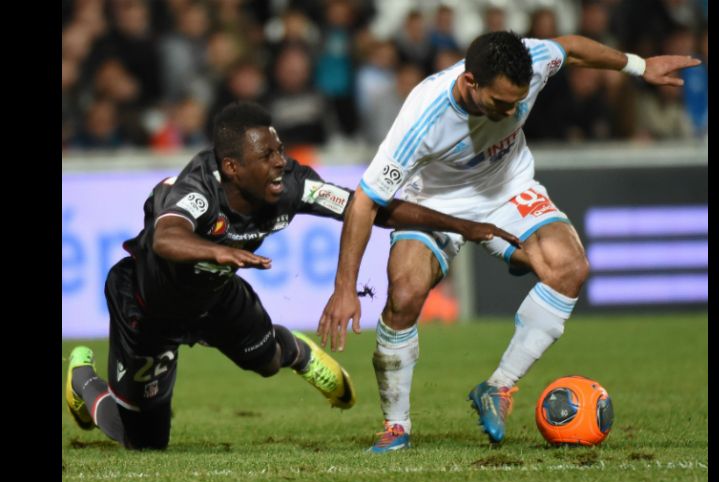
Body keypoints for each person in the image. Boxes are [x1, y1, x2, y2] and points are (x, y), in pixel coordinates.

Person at [318, 31, 700, 452]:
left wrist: (639, 65)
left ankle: (498, 387)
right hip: (435, 200)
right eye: (500, 103)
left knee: (570, 268)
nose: (511, 111)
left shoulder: (532, 61)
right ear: (470, 83)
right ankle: (396, 426)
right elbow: (363, 201)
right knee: (405, 293)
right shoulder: (422, 118)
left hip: (507, 189)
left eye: (518, 102)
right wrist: (344, 288)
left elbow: (570, 47)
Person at [64, 101, 519, 450]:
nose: (281, 161)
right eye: (268, 154)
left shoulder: (290, 185)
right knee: (145, 443)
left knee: (265, 363)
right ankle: (83, 381)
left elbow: (367, 208)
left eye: (280, 148)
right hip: (147, 307)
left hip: (216, 297)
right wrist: (218, 251)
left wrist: (459, 224)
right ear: (232, 168)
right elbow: (166, 239)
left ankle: (299, 353)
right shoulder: (196, 191)